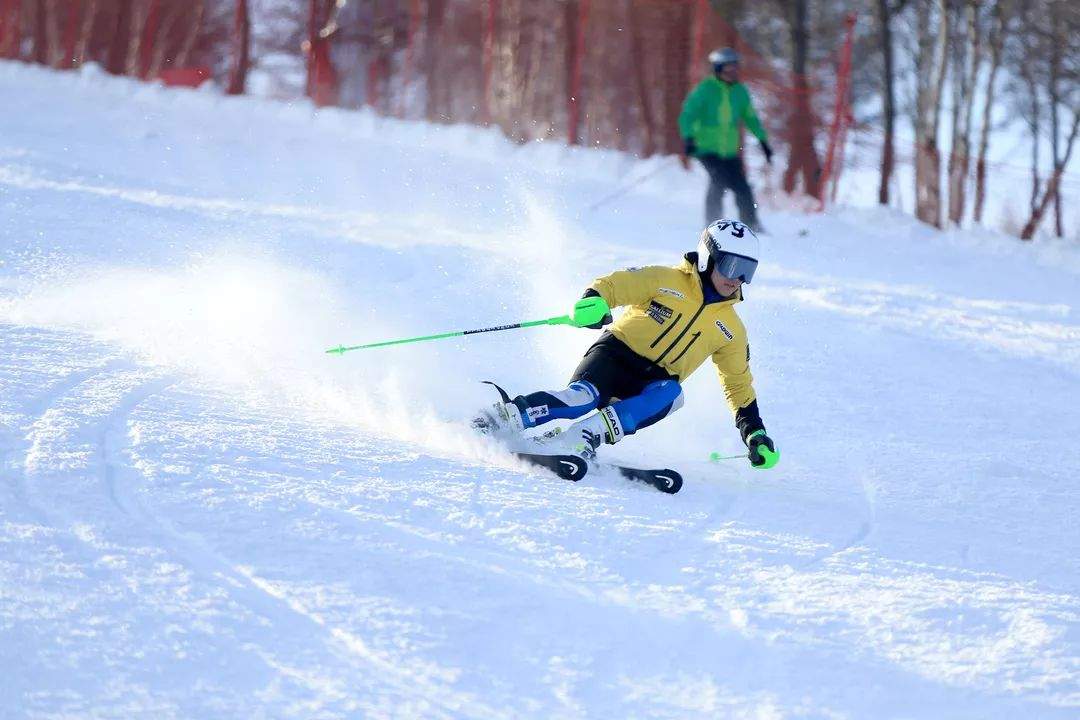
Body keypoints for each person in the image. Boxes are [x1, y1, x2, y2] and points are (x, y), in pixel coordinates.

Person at [476, 219, 779, 471]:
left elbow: (737, 383)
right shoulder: (666, 279)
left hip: (652, 383)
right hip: (614, 356)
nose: (737, 279)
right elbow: (616, 284)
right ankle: (507, 417)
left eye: (747, 271)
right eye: (731, 266)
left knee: (673, 395)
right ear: (707, 258)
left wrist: (754, 432)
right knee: (580, 400)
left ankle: (584, 435)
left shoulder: (732, 330)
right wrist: (594, 301)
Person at [678, 48, 773, 232]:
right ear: (718, 69)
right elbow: (687, 114)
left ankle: (751, 224)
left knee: (743, 188)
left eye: (735, 69)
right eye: (727, 69)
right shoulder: (706, 89)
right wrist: (688, 137)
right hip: (706, 148)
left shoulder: (740, 91)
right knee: (718, 180)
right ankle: (712, 223)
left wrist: (763, 141)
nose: (732, 73)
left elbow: (750, 118)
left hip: (728, 151)